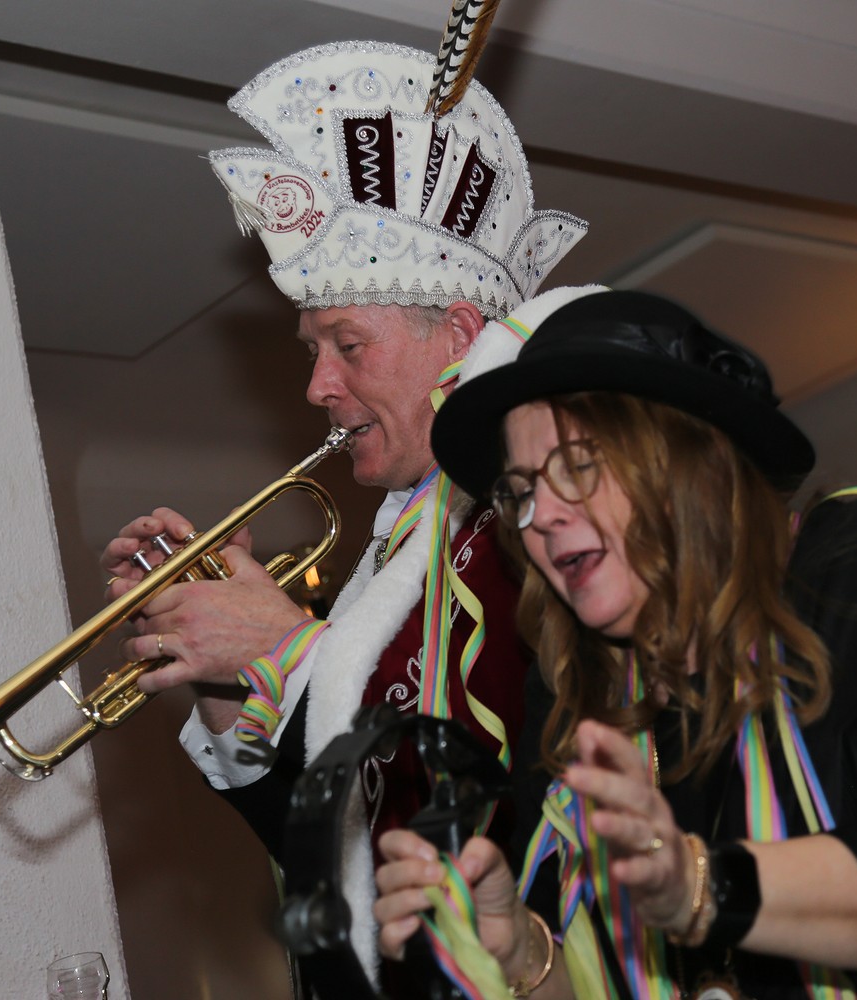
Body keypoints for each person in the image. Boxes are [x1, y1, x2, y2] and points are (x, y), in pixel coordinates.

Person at [374, 290, 857, 998]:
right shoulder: (595, 718)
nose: (540, 515)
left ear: (693, 464)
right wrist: (518, 950)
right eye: (520, 491)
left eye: (577, 466)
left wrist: (699, 886)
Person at [96, 38, 598, 981]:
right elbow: (327, 853)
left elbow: (479, 799)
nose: (317, 385)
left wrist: (286, 645)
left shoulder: (540, 514)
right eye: (312, 350)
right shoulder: (395, 551)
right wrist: (223, 668)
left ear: (459, 340)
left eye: (348, 345)